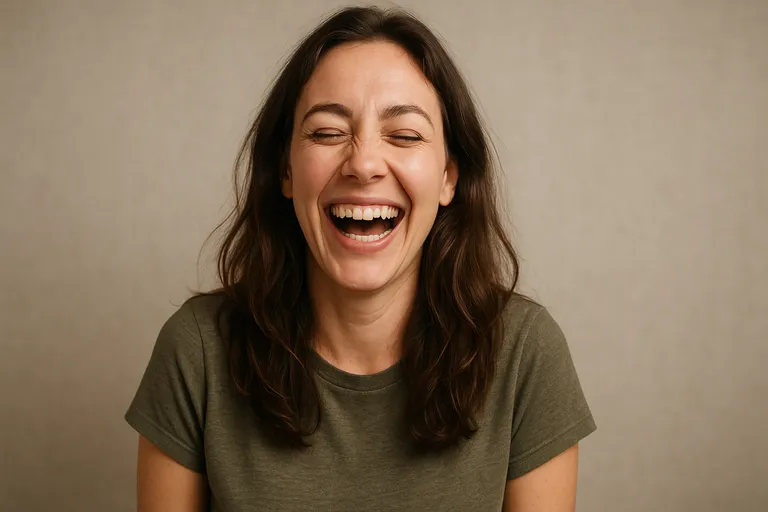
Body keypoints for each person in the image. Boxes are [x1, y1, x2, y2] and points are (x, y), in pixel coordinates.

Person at [125, 6, 596, 511]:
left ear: (448, 178)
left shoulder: (526, 353)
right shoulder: (197, 350)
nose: (364, 163)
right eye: (328, 133)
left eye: (405, 135)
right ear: (286, 171)